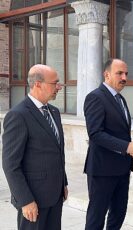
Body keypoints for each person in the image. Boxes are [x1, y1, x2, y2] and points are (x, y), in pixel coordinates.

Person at [2, 64, 68, 230]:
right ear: (38, 84)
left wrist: (63, 183)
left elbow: (57, 151)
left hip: (55, 196)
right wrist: (25, 200)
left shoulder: (54, 112)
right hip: (33, 200)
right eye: (55, 83)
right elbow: (10, 165)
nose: (59, 87)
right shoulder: (18, 115)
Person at [84, 59, 133, 230]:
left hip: (122, 170)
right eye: (119, 73)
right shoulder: (95, 97)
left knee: (118, 214)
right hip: (102, 170)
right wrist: (126, 147)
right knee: (96, 217)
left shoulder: (121, 100)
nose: (124, 77)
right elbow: (95, 133)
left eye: (126, 73)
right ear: (107, 74)